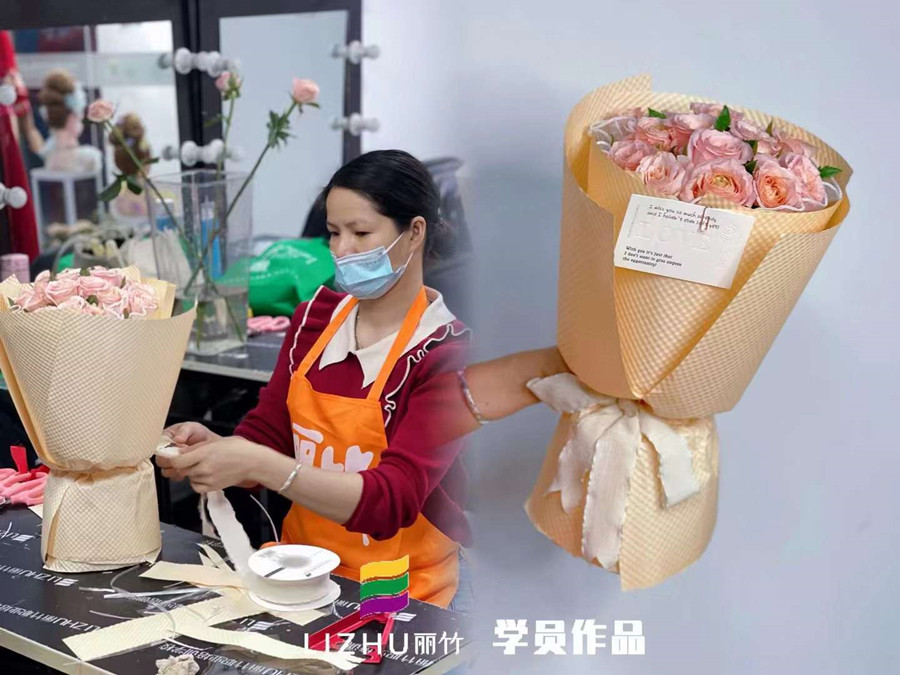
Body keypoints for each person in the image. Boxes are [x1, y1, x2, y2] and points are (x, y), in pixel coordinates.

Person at [159, 150, 472, 609]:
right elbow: (272, 433)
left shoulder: (446, 357)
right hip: (301, 574)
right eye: (333, 232)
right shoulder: (314, 322)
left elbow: (392, 501)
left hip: (404, 592)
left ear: (414, 233)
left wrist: (260, 464)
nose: (341, 250)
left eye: (360, 233)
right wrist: (220, 450)